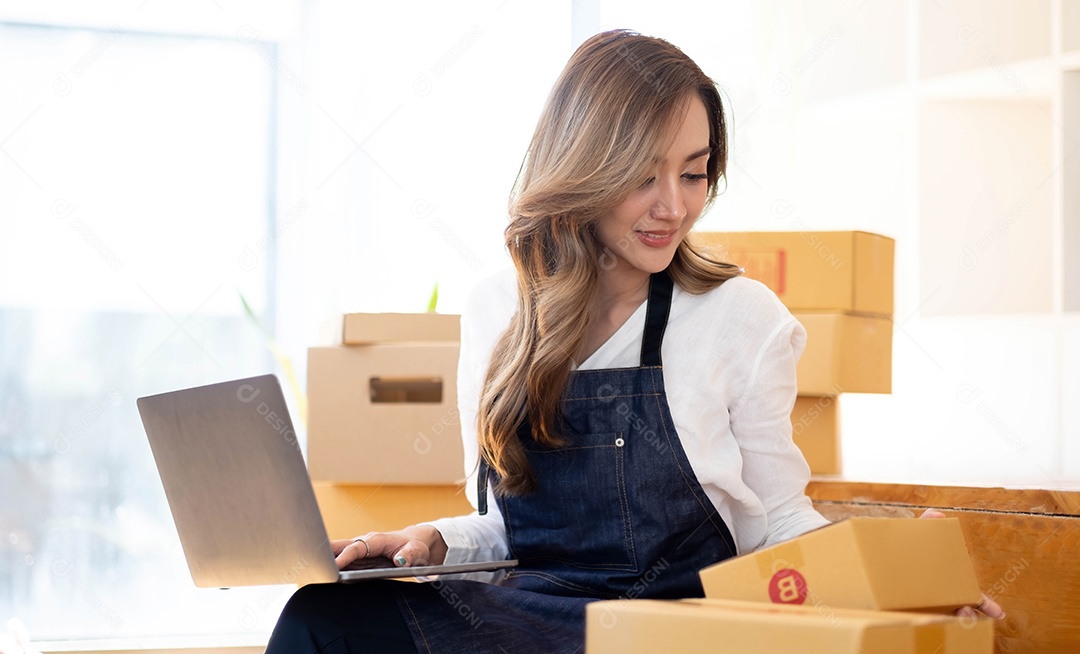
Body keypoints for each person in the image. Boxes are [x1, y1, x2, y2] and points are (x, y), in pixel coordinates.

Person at [266, 29, 1002, 653]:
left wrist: (904, 576)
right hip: (532, 618)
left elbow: (778, 522)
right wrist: (430, 541)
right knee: (320, 620)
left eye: (693, 173)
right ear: (584, 167)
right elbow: (505, 529)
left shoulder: (740, 317)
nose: (674, 207)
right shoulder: (497, 310)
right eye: (645, 175)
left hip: (671, 630)